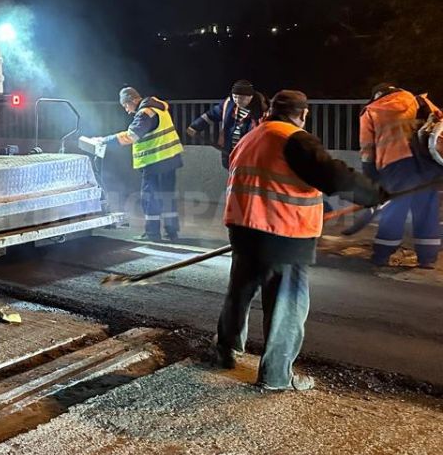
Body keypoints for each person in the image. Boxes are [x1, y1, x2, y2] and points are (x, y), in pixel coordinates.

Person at [216, 90, 385, 391]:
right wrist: (372, 194)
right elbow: (332, 176)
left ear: (270, 111)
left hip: (244, 229)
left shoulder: (252, 136)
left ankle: (226, 350)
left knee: (239, 292)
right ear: (303, 114)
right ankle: (277, 376)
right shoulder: (293, 138)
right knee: (286, 306)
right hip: (284, 234)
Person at [360, 83, 442, 269]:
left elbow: (367, 149)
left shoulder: (371, 111)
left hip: (397, 164)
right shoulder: (420, 100)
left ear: (377, 96)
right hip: (428, 165)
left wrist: (371, 177)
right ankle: (427, 258)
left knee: (394, 210)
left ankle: (382, 255)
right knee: (427, 210)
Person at [99, 87, 184, 242]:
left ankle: (153, 234)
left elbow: (132, 135)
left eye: (125, 105)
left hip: (155, 163)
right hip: (170, 159)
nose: (127, 110)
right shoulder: (159, 108)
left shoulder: (145, 113)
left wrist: (106, 140)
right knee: (167, 197)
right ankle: (172, 233)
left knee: (149, 198)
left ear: (132, 101)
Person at [187, 79, 267, 168]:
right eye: (235, 97)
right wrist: (195, 126)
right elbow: (211, 115)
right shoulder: (228, 104)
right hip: (230, 151)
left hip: (250, 154)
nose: (237, 100)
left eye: (241, 98)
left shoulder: (262, 111)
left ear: (251, 97)